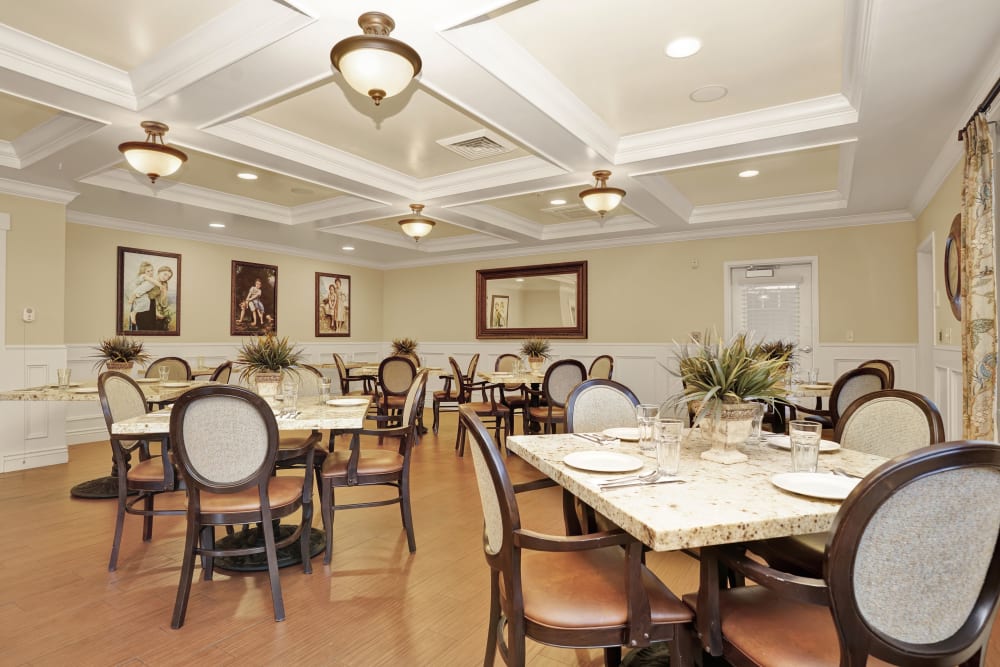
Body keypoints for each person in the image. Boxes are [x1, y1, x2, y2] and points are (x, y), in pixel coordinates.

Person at [126, 261, 156, 330]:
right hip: (134, 293)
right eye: (148, 271)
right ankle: (134, 313)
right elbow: (140, 288)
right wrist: (133, 297)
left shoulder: (144, 277)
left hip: (135, 294)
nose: (151, 272)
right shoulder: (146, 278)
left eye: (152, 270)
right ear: (143, 272)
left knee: (144, 302)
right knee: (146, 301)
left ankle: (134, 313)